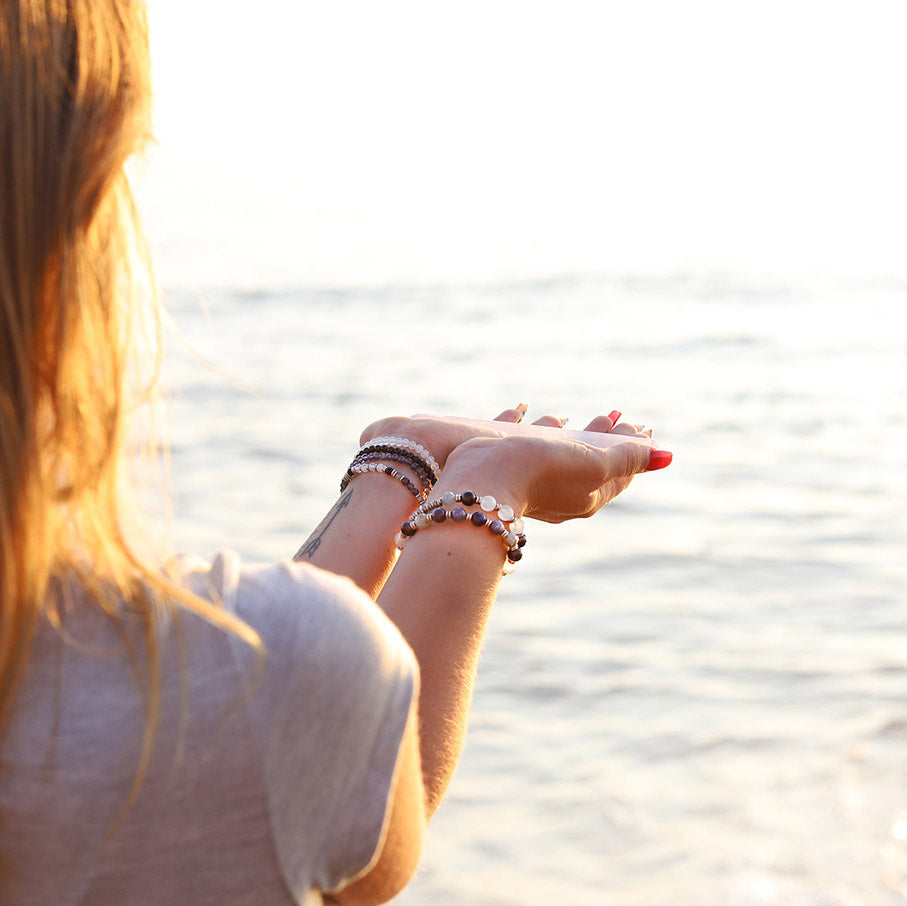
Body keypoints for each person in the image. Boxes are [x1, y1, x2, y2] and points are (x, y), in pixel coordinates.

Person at [0, 2, 673, 904]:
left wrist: (398, 466)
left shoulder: (108, 677)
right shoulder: (156, 696)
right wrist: (484, 492)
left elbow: (248, 707)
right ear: (65, 224)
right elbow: (350, 819)